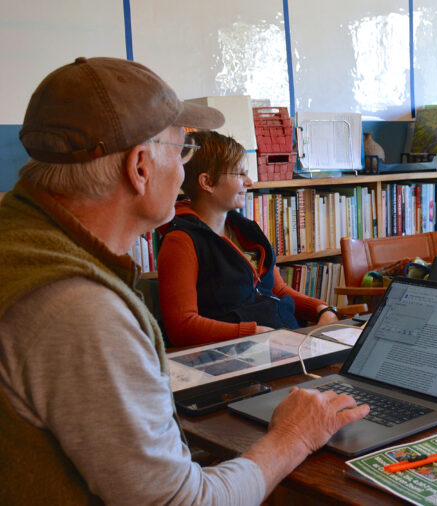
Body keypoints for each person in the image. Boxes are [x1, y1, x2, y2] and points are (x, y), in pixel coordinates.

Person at [0, 57, 368, 504]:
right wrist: (293, 436)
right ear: (140, 167)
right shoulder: (79, 310)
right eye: (181, 151)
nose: (183, 171)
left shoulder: (19, 244)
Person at [157, 130, 338, 347]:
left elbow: (276, 290)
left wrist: (321, 308)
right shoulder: (181, 242)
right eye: (240, 174)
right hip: (237, 357)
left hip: (282, 343)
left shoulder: (245, 230)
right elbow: (183, 327)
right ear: (207, 182)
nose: (249, 182)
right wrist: (254, 333)